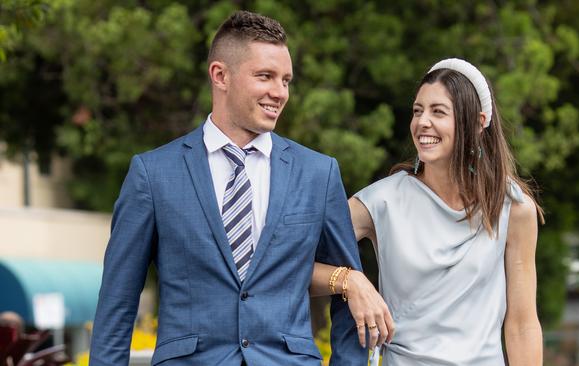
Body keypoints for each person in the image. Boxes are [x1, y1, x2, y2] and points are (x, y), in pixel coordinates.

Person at [89, 10, 382, 366]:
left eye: (286, 80)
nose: (279, 93)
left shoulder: (319, 174)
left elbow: (347, 298)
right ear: (220, 75)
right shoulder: (152, 174)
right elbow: (117, 302)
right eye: (265, 76)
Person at [313, 58, 544, 365]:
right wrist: (347, 281)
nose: (422, 122)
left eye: (438, 112)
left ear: (478, 123)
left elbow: (522, 325)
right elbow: (286, 265)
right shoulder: (382, 201)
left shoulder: (513, 208)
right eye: (418, 110)